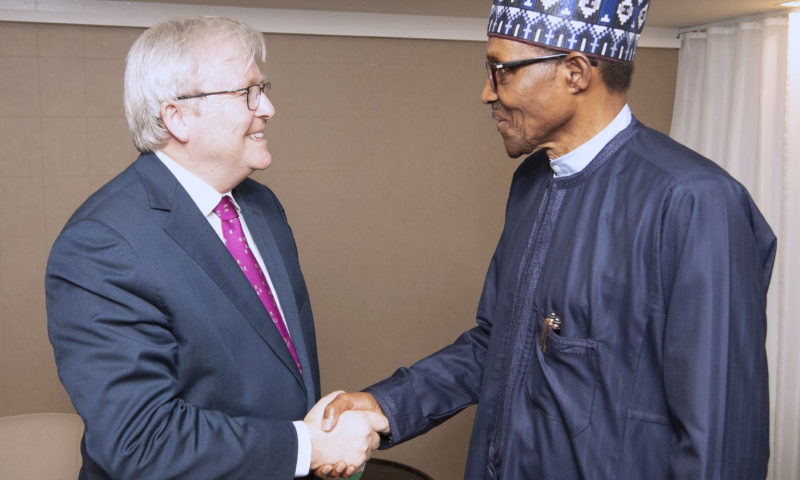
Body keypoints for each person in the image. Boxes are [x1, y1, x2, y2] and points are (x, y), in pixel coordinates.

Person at [320, 1, 776, 478]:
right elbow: (498, 343)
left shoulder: (696, 200)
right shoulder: (533, 181)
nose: (486, 93)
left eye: (501, 71)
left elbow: (723, 437)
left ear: (576, 72)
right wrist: (385, 404)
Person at [46, 16, 385, 479]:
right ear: (177, 117)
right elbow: (141, 441)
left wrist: (313, 447)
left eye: (262, 87)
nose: (267, 107)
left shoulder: (262, 207)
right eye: (246, 92)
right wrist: (306, 447)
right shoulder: (101, 244)